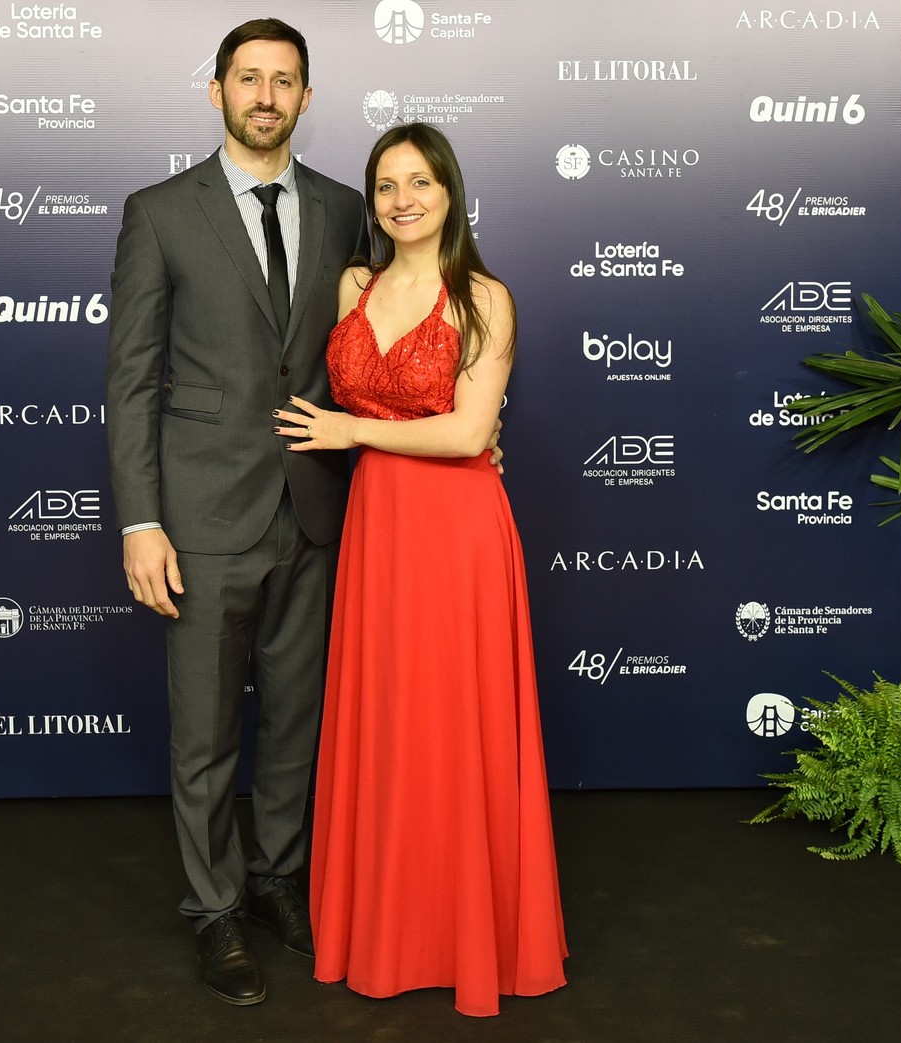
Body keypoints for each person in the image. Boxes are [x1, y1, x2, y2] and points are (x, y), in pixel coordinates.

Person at [274, 123, 568, 1017]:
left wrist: (352, 431)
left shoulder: (485, 298)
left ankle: (469, 937)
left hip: (458, 531)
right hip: (377, 529)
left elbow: (470, 433)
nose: (403, 199)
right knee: (391, 723)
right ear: (373, 201)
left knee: (457, 726)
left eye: (420, 182)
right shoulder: (353, 284)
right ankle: (388, 929)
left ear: (450, 192)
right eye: (387, 185)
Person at [104, 18, 368, 1006]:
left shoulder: (348, 208)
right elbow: (130, 380)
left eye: (284, 80)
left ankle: (276, 879)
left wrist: (468, 419)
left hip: (315, 509)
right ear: (214, 91)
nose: (266, 94)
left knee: (298, 720)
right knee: (207, 731)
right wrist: (140, 520)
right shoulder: (160, 211)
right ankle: (214, 907)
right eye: (247, 78)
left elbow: (386, 336)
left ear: (306, 97)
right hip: (202, 515)